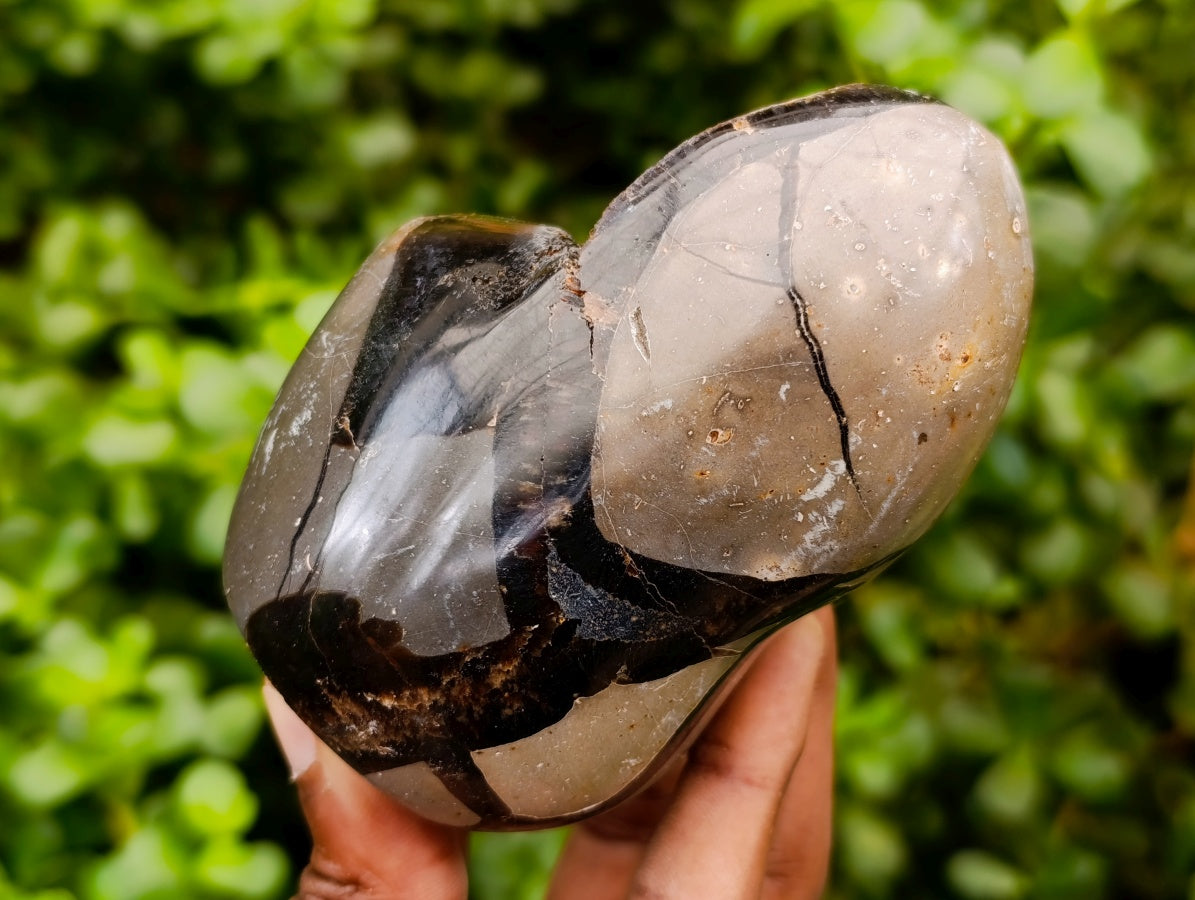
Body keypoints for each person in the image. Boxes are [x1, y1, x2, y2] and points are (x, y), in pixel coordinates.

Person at [263, 606, 836, 900]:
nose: (384, 624)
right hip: (542, 700)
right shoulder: (416, 719)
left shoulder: (421, 702)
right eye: (370, 630)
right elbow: (460, 766)